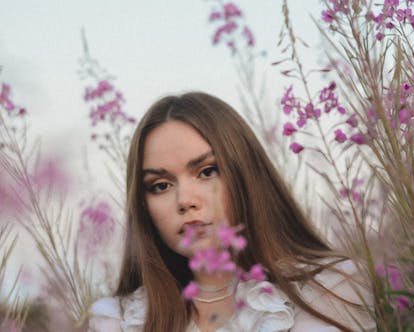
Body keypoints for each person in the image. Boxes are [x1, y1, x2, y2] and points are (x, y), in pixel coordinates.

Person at [88, 92, 374, 332]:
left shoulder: (331, 289)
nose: (185, 201)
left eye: (207, 171)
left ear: (247, 174)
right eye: (160, 185)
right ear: (142, 204)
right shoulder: (118, 321)